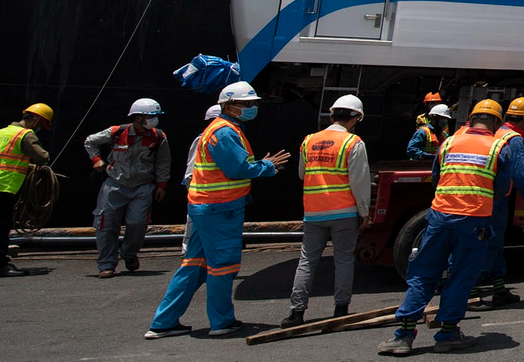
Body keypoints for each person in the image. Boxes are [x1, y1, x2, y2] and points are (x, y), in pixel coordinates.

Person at [378, 100, 524, 355]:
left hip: (439, 217)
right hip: (474, 221)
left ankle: (403, 336)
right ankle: (448, 334)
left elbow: (436, 178)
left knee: (423, 273)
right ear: (496, 123)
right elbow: (502, 189)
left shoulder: (449, 142)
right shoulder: (499, 147)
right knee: (462, 275)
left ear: (471, 119)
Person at [145, 83, 290, 338]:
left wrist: (260, 164)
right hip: (220, 209)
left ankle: (164, 322)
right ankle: (221, 322)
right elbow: (237, 169)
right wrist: (267, 166)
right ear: (227, 106)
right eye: (246, 104)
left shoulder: (220, 130)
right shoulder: (225, 132)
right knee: (223, 266)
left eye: (253, 104)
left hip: (206, 207)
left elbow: (232, 166)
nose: (251, 108)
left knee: (194, 265)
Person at [282, 94, 373, 326]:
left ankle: (296, 312)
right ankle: (340, 310)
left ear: (332, 115)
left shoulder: (309, 140)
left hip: (313, 212)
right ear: (356, 119)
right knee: (343, 261)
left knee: (306, 261)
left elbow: (303, 174)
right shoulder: (354, 143)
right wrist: (364, 212)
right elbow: (359, 182)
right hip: (343, 212)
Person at [84, 99, 171, 278]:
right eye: (150, 116)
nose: (153, 120)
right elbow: (90, 142)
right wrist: (96, 160)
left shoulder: (159, 137)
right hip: (115, 184)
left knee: (138, 223)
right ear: (138, 118)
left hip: (142, 186)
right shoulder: (117, 132)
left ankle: (129, 253)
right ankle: (107, 264)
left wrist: (162, 185)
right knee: (106, 224)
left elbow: (163, 162)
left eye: (155, 116)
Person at [472, 95, 524, 309]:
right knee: (490, 244)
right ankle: (471, 292)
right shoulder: (514, 139)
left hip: (486, 194)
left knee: (495, 245)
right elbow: (519, 174)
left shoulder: (498, 132)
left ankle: (499, 289)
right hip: (497, 199)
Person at [0, 104, 54, 278]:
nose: (39, 129)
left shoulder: (2, 132)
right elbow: (42, 157)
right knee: (2, 227)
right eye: (41, 125)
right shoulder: (25, 135)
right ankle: (1, 265)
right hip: (5, 187)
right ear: (37, 120)